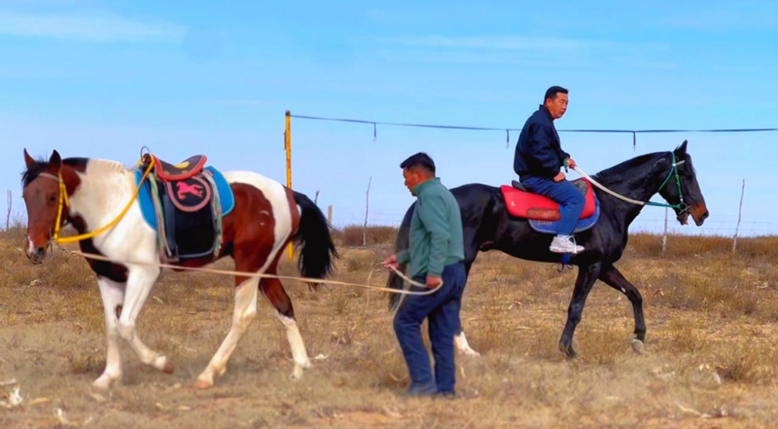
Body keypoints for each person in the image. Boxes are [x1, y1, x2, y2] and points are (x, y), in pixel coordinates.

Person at [383, 152, 466, 397]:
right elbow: (430, 239)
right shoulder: (442, 194)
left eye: (406, 177)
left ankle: (422, 384)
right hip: (454, 272)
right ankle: (445, 390)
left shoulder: (429, 197)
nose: (405, 182)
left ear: (417, 174)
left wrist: (433, 273)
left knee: (405, 322)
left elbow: (440, 236)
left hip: (439, 274)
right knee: (441, 331)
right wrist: (403, 257)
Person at [513, 86, 585, 254]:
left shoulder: (544, 121)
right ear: (548, 102)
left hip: (538, 174)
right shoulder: (541, 122)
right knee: (576, 199)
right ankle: (561, 239)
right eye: (561, 102)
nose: (565, 107)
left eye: (567, 103)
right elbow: (539, 152)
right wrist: (553, 172)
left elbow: (550, 149)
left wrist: (564, 158)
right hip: (537, 177)